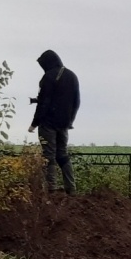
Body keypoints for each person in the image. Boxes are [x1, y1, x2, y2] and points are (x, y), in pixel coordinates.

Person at [28, 50, 80, 195]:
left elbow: (44, 103)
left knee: (48, 156)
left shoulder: (48, 77)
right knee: (62, 154)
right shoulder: (72, 76)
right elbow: (76, 102)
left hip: (48, 124)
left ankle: (52, 189)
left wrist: (34, 123)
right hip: (64, 124)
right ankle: (71, 188)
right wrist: (70, 121)